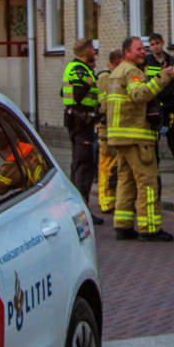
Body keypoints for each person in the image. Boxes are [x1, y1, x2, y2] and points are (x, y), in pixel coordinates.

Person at [106, 35, 174, 240]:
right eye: (138, 49)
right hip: (137, 137)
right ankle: (150, 228)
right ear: (127, 53)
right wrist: (163, 77)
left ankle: (122, 226)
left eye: (144, 49)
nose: (143, 52)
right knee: (147, 182)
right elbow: (139, 95)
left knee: (126, 181)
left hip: (119, 137)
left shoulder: (116, 73)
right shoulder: (131, 72)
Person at [61, 38, 104, 225]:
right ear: (87, 51)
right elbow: (77, 95)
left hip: (79, 122)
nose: (94, 52)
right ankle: (82, 210)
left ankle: (78, 208)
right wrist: (88, 82)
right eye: (92, 49)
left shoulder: (75, 68)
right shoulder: (79, 70)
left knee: (80, 164)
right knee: (84, 166)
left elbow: (63, 92)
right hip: (81, 122)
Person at [145, 33, 174, 183]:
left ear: (163, 43)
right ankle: (154, 175)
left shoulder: (171, 61)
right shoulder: (147, 62)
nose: (155, 46)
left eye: (157, 43)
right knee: (153, 145)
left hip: (169, 108)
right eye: (152, 44)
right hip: (153, 108)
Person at [95, 48, 124, 219]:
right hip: (106, 127)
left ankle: (114, 198)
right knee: (107, 163)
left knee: (116, 165)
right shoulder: (106, 77)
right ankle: (106, 200)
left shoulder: (117, 75)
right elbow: (105, 103)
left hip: (116, 127)